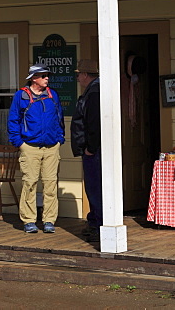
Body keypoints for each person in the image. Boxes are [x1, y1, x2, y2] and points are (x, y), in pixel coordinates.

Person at [7, 63, 64, 234]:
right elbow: (13, 120)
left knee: (50, 185)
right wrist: (19, 143)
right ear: (33, 78)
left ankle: (49, 220)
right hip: (29, 147)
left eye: (47, 75)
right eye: (43, 75)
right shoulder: (21, 96)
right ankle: (29, 220)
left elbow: (60, 118)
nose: (47, 78)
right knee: (29, 183)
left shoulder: (53, 94)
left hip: (51, 147)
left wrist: (59, 138)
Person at [70, 58, 101, 242]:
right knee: (93, 187)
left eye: (78, 75)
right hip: (92, 150)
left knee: (95, 187)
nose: (78, 78)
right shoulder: (93, 91)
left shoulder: (94, 93)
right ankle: (94, 220)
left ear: (85, 75)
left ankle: (98, 224)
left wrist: (90, 148)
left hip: (94, 152)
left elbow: (94, 123)